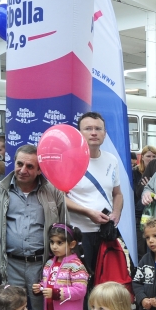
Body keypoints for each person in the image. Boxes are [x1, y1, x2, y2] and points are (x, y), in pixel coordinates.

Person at [0, 144, 67, 310]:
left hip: (42, 265)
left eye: (30, 166)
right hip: (12, 263)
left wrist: (61, 265)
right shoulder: (0, 190)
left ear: (39, 170)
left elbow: (64, 227)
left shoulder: (53, 192)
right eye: (19, 164)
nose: (23, 170)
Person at [66, 112, 124, 279]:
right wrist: (87, 212)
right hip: (79, 232)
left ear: (104, 134)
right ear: (79, 133)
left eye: (98, 129)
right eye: (88, 128)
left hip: (105, 233)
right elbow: (59, 197)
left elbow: (117, 194)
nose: (93, 132)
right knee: (81, 282)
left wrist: (117, 213)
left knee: (105, 282)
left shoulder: (111, 159)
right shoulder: (69, 160)